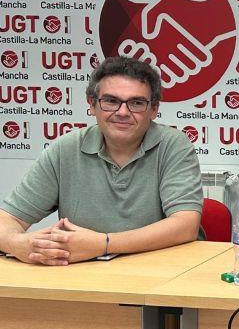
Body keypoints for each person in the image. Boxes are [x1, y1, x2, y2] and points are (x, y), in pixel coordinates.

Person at [0, 56, 202, 264]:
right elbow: (7, 219)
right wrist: (17, 243)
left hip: (163, 270)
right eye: (111, 101)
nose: (122, 112)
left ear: (153, 110)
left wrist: (104, 244)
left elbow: (186, 225)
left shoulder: (173, 145)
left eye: (136, 103)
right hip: (84, 274)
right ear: (92, 104)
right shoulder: (65, 149)